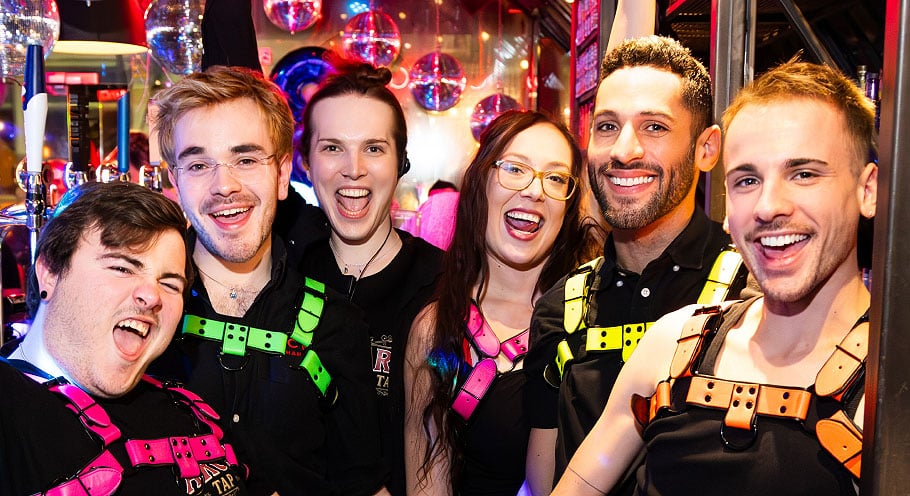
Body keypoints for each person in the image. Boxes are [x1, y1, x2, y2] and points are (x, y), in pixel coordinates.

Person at [552, 59, 877, 496]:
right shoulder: (672, 345)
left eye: (803, 174)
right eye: (747, 180)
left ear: (867, 190)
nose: (768, 206)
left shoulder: (890, 387)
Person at [523, 33, 751, 490]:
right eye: (607, 126)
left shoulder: (750, 289)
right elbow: (543, 481)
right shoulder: (558, 308)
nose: (624, 151)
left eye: (654, 127)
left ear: (706, 149)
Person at [152, 65, 387, 495]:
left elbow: (363, 485)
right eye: (199, 164)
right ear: (175, 182)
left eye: (245, 159)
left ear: (281, 175)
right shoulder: (141, 308)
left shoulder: (337, 324)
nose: (224, 186)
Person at [0, 181, 249, 495]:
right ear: (50, 271)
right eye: (122, 268)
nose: (152, 296)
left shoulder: (192, 409)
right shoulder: (10, 403)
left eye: (170, 284)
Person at [404, 110, 601, 496]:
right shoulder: (437, 330)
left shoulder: (597, 316)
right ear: (480, 183)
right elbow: (428, 484)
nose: (534, 191)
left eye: (556, 178)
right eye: (514, 169)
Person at [296, 63, 443, 496]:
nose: (354, 169)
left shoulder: (443, 284)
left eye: (374, 148)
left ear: (401, 163)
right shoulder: (282, 276)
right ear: (306, 163)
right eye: (332, 148)